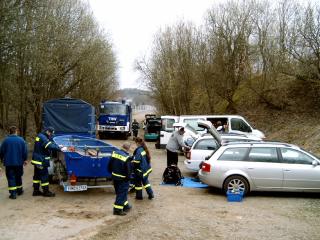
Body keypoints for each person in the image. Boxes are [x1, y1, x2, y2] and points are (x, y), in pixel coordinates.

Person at [31, 126, 61, 197]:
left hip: (37, 160)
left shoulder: (40, 136)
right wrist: (60, 148)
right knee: (44, 176)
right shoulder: (43, 137)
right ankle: (46, 192)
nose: (51, 135)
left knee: (37, 176)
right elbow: (49, 145)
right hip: (41, 160)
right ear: (48, 131)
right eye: (51, 133)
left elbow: (50, 141)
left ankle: (36, 191)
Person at [0, 126, 28, 199]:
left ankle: (13, 194)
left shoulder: (5, 141)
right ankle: (19, 191)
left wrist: (1, 159)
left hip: (9, 163)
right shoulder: (21, 140)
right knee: (18, 176)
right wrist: (25, 159)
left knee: (11, 177)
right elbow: (24, 151)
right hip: (19, 163)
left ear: (10, 132)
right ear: (16, 132)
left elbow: (1, 151)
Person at [108, 142, 132, 216]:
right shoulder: (126, 157)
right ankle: (117, 210)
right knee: (121, 194)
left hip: (115, 177)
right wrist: (128, 179)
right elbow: (128, 171)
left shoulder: (114, 153)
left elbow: (109, 166)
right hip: (123, 179)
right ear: (128, 149)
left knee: (120, 192)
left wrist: (112, 173)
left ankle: (125, 206)